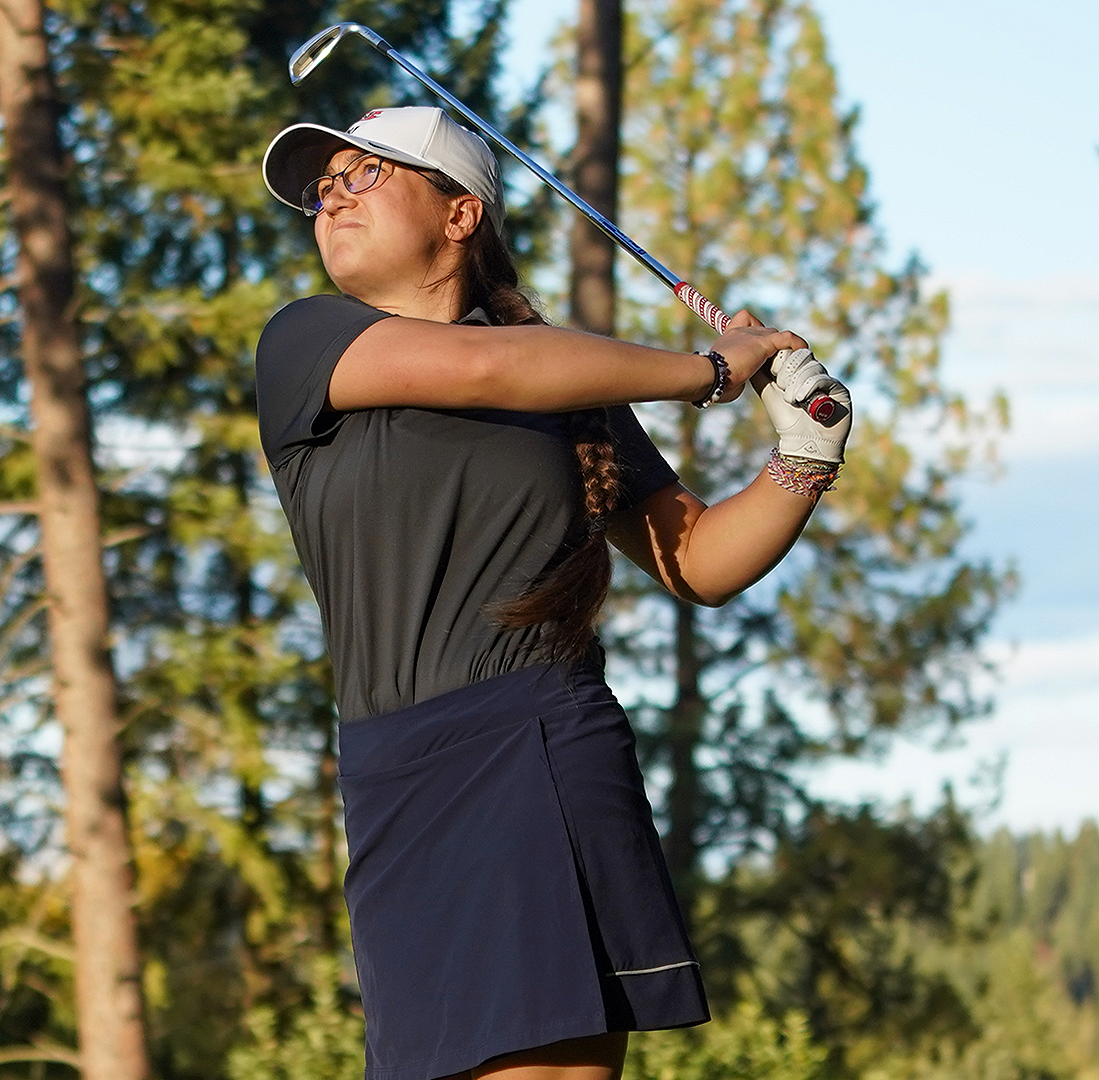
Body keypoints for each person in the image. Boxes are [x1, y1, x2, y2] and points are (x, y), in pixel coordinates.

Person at [254, 106, 852, 1080]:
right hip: (390, 777)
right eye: (323, 190)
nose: (332, 201)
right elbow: (488, 367)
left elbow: (697, 560)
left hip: (534, 744)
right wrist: (708, 371)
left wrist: (806, 454)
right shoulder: (305, 340)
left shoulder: (570, 388)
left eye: (364, 175)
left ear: (460, 214)